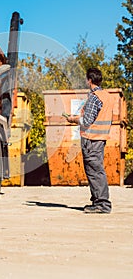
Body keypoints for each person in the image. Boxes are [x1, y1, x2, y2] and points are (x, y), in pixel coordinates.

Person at [65, 68, 113, 213]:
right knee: (96, 170)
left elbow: (86, 121)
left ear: (89, 80)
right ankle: (98, 201)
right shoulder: (106, 96)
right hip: (99, 139)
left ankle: (102, 204)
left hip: (91, 139)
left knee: (95, 171)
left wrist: (72, 119)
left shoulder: (94, 97)